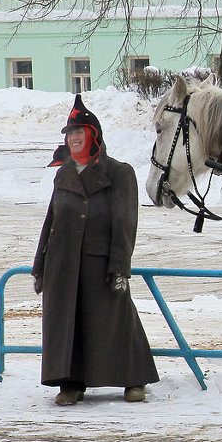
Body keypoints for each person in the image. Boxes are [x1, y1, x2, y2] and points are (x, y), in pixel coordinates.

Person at [32, 94, 159, 406]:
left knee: (115, 322)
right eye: (70, 135)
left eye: (79, 134)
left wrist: (120, 267)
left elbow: (125, 223)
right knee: (67, 324)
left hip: (99, 262)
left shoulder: (119, 172)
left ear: (93, 136)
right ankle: (71, 383)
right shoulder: (63, 173)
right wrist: (40, 265)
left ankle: (134, 380)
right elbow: (51, 220)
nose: (73, 139)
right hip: (63, 264)